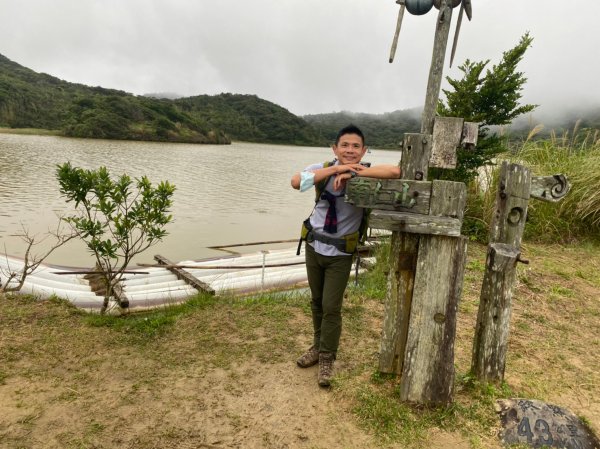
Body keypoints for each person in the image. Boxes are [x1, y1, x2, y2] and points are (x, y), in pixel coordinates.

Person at [290, 124, 401, 387]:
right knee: (316, 301)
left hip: (340, 252)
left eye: (355, 147)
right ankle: (318, 346)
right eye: (344, 145)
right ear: (335, 148)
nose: (349, 150)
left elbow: (396, 171)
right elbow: (297, 182)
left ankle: (327, 355)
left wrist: (354, 172)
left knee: (331, 306)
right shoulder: (324, 167)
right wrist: (337, 168)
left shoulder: (368, 172)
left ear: (363, 151)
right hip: (314, 245)